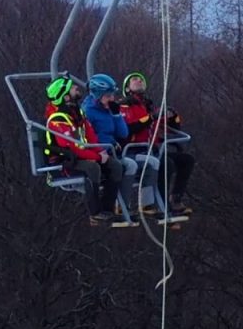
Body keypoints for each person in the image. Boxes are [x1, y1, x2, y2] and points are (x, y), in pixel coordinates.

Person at [43, 75, 124, 227]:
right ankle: (95, 213)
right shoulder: (58, 119)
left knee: (116, 166)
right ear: (66, 96)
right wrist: (97, 157)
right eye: (72, 88)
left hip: (80, 156)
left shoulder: (78, 114)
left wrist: (100, 152)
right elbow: (71, 147)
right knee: (92, 167)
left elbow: (90, 136)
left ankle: (108, 209)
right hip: (65, 162)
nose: (76, 88)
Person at [120, 71, 194, 215]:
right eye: (134, 80)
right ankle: (162, 205)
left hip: (152, 150)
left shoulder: (148, 107)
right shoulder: (124, 107)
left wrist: (172, 116)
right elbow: (128, 130)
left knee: (187, 160)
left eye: (141, 79)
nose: (139, 81)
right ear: (127, 88)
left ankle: (176, 198)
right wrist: (150, 118)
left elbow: (173, 127)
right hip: (134, 151)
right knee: (166, 164)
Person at [80, 73, 141, 218]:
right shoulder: (88, 112)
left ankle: (123, 205)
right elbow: (89, 136)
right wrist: (103, 148)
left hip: (113, 151)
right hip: (101, 152)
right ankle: (114, 207)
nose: (112, 99)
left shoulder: (109, 109)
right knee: (126, 165)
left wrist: (116, 115)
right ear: (98, 96)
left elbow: (123, 133)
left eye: (112, 95)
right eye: (108, 96)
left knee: (134, 165)